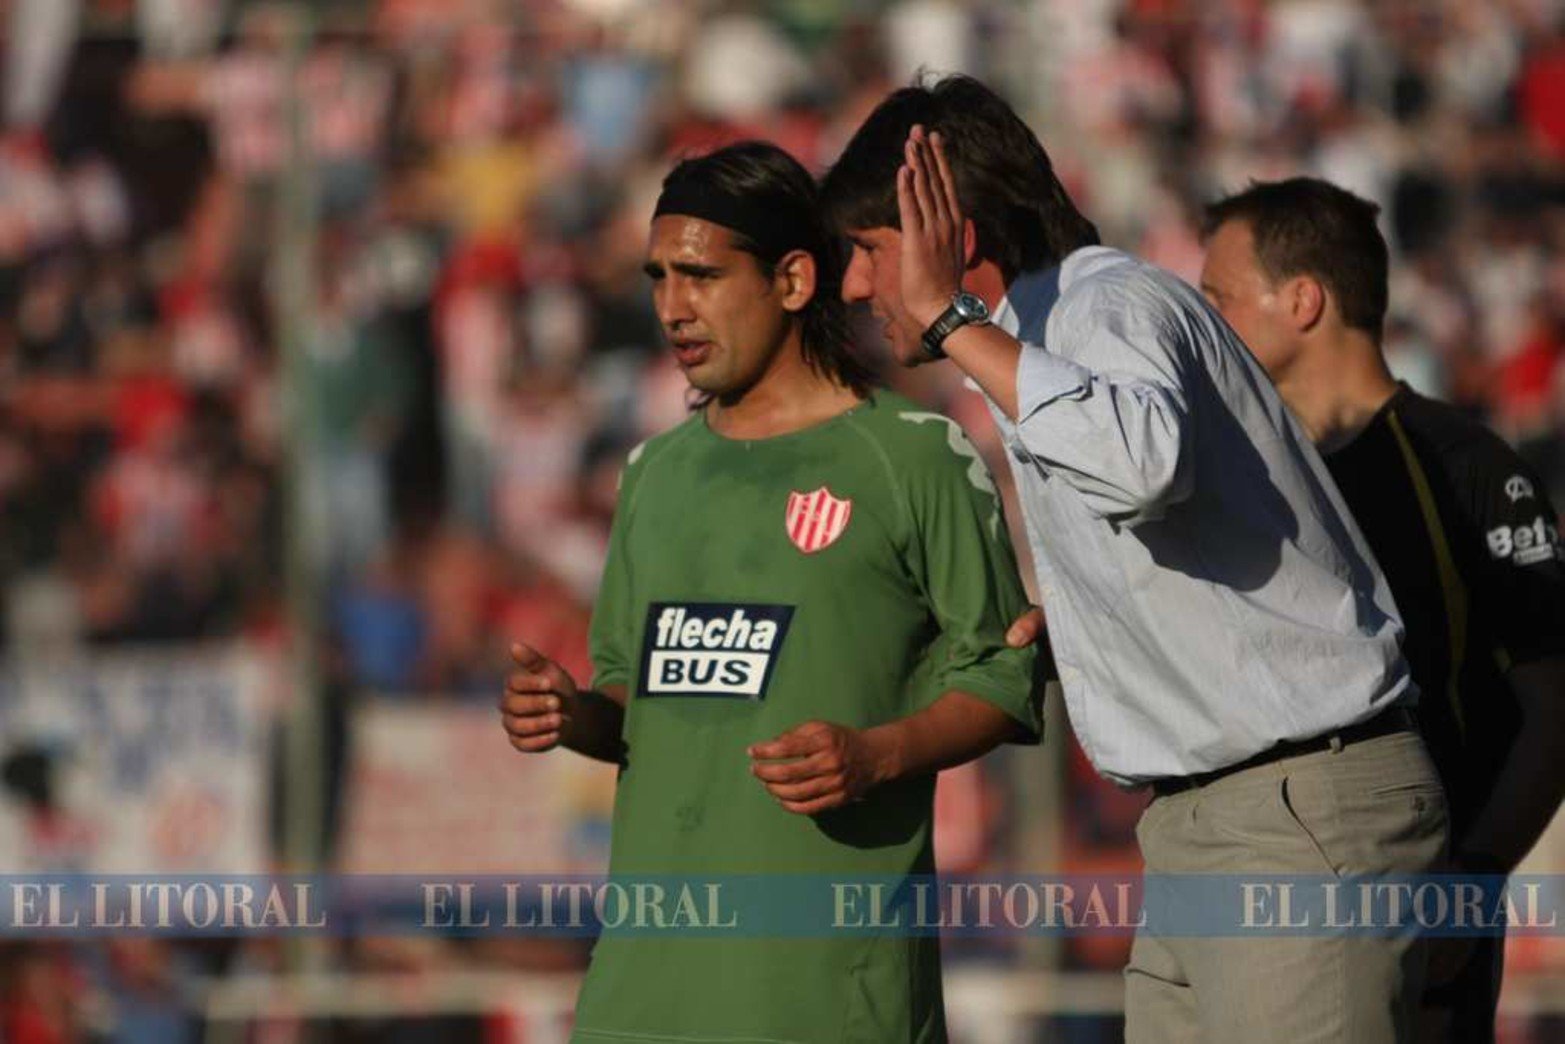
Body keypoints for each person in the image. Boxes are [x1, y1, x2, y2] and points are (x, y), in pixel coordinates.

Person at [820, 75, 1448, 1044]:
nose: (856, 286)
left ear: (959, 235)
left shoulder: (1102, 305)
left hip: (1290, 814)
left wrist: (950, 318)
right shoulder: (1037, 337)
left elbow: (1141, 463)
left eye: (867, 249)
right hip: (1216, 825)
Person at [497, 140, 1040, 1044]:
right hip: (645, 989)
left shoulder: (913, 455)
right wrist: (574, 713)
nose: (673, 307)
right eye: (658, 276)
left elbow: (1001, 678)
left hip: (830, 988)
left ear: (793, 280)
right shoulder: (654, 473)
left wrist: (875, 755)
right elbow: (638, 700)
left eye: (702, 275)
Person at [1193, 177, 1565, 1044]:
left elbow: (1553, 708)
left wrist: (1465, 886)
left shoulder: (1464, 467)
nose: (1201, 326)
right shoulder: (1224, 472)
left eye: (1217, 299)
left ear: (1303, 300)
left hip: (1418, 926)